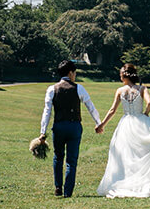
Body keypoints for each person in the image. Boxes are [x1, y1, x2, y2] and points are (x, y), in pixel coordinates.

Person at [95, 63, 150, 198]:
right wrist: (145, 114)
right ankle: (145, 181)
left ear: (125, 75)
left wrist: (102, 125)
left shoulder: (120, 91)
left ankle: (126, 181)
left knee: (127, 154)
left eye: (121, 74)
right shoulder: (142, 89)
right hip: (140, 122)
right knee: (142, 153)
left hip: (126, 123)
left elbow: (112, 110)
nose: (120, 76)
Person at [35, 60, 103, 198]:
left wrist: (43, 132)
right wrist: (98, 123)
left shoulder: (51, 89)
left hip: (59, 126)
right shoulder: (79, 88)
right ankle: (68, 192)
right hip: (74, 126)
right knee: (72, 160)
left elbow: (47, 111)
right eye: (75, 73)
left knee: (58, 157)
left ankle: (58, 187)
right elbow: (91, 107)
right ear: (71, 72)